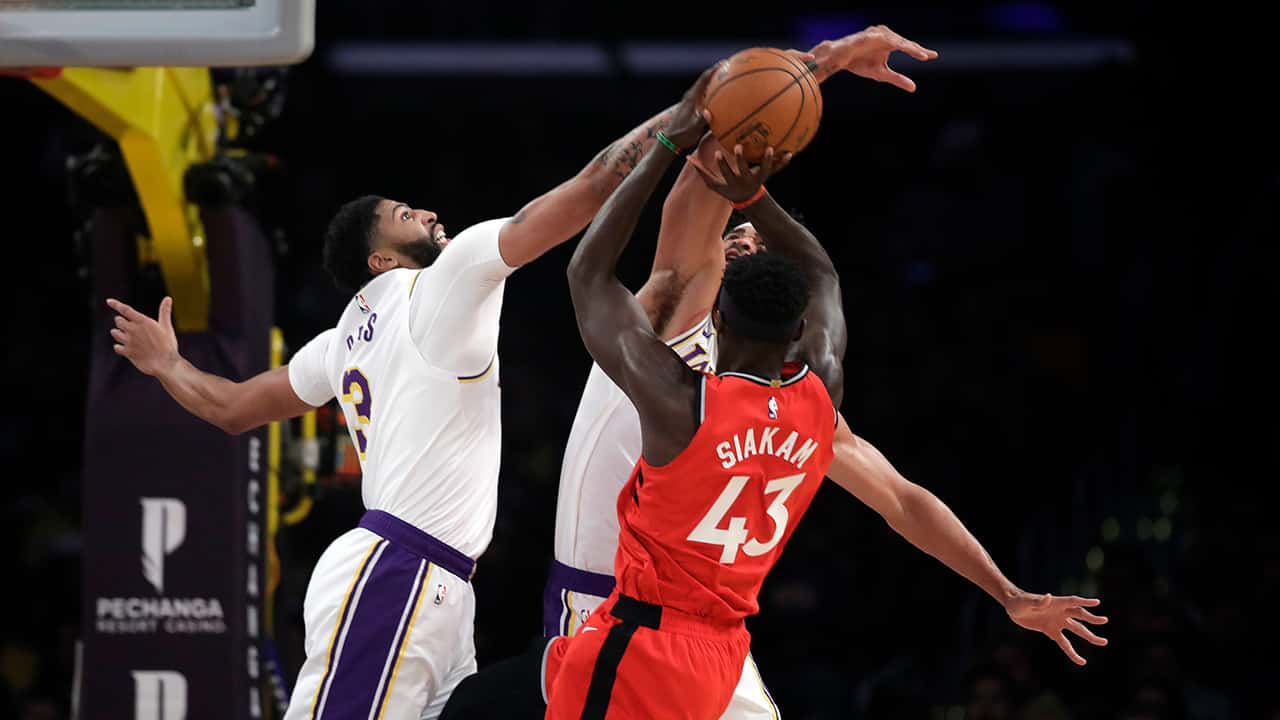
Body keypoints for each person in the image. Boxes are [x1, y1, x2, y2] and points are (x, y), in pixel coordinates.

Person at [103, 68, 715, 719]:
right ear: (383, 261)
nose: (427, 211)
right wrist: (681, 122)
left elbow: (230, 408)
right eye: (403, 214)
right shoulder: (437, 285)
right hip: (400, 571)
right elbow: (589, 187)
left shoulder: (339, 343)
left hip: (433, 585)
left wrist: (169, 364)